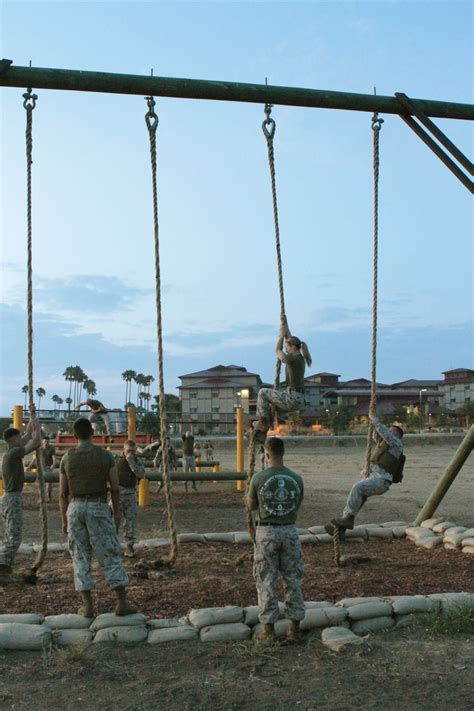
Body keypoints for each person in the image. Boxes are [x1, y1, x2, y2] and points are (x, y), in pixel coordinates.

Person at [59, 417, 135, 617]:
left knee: (80, 555)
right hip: (98, 506)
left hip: (75, 508)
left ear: (74, 436)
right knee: (109, 552)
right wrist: (116, 512)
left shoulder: (67, 458)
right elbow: (115, 488)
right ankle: (121, 602)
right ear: (93, 433)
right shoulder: (105, 456)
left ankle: (88, 606)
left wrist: (64, 520)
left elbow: (62, 494)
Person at [245, 437, 305, 642]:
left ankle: (268, 630)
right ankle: (294, 628)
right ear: (283, 453)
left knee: (266, 580)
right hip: (290, 531)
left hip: (267, 533)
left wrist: (247, 496)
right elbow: (296, 504)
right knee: (293, 579)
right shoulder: (296, 479)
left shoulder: (258, 478)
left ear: (266, 455)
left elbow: (251, 506)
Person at [325, 412, 405, 535]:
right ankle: (341, 530)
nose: (388, 432)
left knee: (357, 488)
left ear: (397, 435)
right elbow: (376, 435)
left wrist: (375, 419)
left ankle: (348, 520)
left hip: (381, 480)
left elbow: (386, 435)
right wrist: (372, 424)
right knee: (357, 498)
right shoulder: (383, 444)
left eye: (391, 431)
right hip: (374, 477)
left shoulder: (397, 445)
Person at [253, 315, 312, 444]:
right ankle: (262, 432)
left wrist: (280, 336)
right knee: (269, 406)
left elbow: (277, 350)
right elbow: (289, 338)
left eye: (288, 347)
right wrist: (285, 325)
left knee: (262, 392)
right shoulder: (300, 358)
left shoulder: (291, 359)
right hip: (297, 400)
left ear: (293, 347)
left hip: (291, 399)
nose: (286, 349)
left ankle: (263, 422)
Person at [0, 405, 41, 577]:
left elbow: (26, 438)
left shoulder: (11, 452)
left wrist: (32, 416)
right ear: (13, 439)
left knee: (10, 536)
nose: (21, 438)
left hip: (8, 499)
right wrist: (37, 428)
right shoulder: (13, 453)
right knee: (14, 539)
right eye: (19, 436)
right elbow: (35, 442)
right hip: (12, 499)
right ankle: (2, 567)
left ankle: (4, 567)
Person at [115, 440, 145, 557]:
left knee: (130, 520)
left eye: (133, 451)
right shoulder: (116, 459)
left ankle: (129, 546)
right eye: (128, 451)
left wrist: (132, 462)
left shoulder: (137, 461)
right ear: (123, 449)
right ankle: (113, 546)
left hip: (130, 493)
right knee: (114, 520)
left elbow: (141, 475)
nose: (130, 453)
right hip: (117, 493)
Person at [26, 435, 56, 502]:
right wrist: (29, 466)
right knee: (42, 485)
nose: (46, 443)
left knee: (49, 486)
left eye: (47, 442)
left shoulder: (52, 448)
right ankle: (42, 498)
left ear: (49, 442)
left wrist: (53, 465)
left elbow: (54, 458)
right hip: (41, 468)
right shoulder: (40, 449)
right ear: (43, 442)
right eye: (45, 441)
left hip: (49, 468)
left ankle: (49, 496)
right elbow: (35, 459)